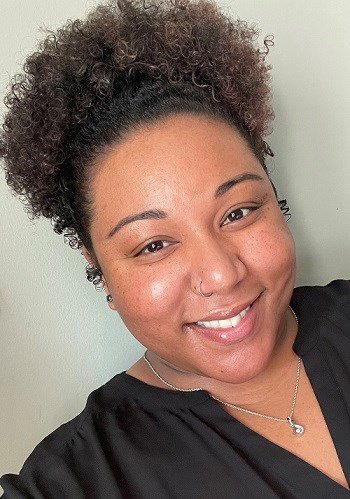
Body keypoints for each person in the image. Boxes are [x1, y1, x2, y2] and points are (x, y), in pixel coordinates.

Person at [0, 0, 349, 497]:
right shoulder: (81, 479)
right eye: (154, 244)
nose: (221, 275)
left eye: (238, 212)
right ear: (95, 262)